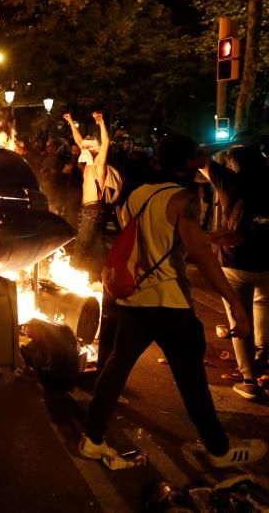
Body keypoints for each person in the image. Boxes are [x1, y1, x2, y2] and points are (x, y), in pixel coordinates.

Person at [81, 134, 266, 468]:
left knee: (115, 369)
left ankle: (92, 438)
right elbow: (196, 253)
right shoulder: (184, 198)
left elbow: (152, 237)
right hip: (170, 302)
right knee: (192, 380)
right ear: (191, 162)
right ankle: (218, 449)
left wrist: (208, 235)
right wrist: (235, 304)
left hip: (134, 298)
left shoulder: (136, 194)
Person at [200, 139, 269, 400]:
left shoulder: (230, 180)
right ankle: (262, 354)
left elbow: (199, 154)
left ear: (234, 163)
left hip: (236, 260)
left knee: (239, 318)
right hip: (267, 261)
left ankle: (249, 380)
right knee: (263, 305)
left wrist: (228, 141)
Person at [63, 111, 117, 272]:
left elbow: (106, 142)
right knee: (98, 247)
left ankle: (69, 273)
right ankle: (106, 275)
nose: (84, 146)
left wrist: (101, 123)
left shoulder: (98, 164)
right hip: (93, 211)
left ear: (97, 149)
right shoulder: (89, 163)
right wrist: (71, 122)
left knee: (81, 244)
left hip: (93, 211)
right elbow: (79, 141)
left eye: (89, 144)